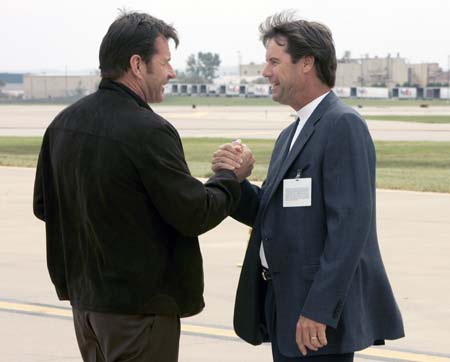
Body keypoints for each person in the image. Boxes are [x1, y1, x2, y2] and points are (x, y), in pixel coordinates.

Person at [33, 12, 254, 362]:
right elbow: (194, 213)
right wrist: (230, 177)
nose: (172, 73)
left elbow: (45, 207)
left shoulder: (62, 124)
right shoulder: (148, 130)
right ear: (137, 64)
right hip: (138, 315)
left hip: (87, 308)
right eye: (165, 62)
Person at [212, 12, 404, 362]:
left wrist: (319, 309)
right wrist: (235, 181)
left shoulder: (342, 125)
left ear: (306, 63)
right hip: (285, 305)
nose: (265, 72)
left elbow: (350, 228)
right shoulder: (291, 134)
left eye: (274, 61)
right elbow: (272, 214)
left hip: (314, 320)